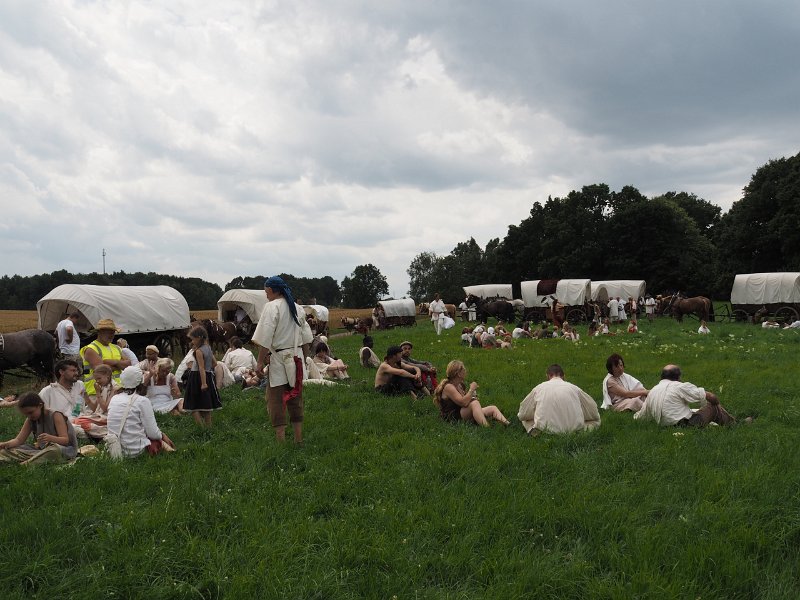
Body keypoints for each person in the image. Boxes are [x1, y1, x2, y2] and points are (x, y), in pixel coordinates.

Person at [252, 276, 314, 443]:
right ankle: (298, 439)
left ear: (273, 290)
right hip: (296, 357)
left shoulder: (272, 307)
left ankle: (281, 441)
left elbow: (265, 337)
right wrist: (304, 359)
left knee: (276, 399)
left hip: (279, 359)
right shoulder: (297, 308)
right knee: (296, 398)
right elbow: (307, 338)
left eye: (266, 292)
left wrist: (259, 362)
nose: (266, 295)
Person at [634, 364, 738, 427]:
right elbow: (711, 397)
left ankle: (727, 420)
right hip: (686, 426)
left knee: (695, 410)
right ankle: (735, 424)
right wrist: (717, 405)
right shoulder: (679, 386)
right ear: (678, 377)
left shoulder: (652, 391)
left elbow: (642, 415)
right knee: (712, 406)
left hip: (665, 427)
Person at [106, 367, 175, 457]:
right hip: (135, 451)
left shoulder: (115, 398)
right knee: (158, 440)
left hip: (115, 448)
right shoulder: (142, 401)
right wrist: (162, 435)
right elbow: (153, 433)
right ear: (140, 381)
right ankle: (175, 454)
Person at [517, 364, 601, 435]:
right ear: (564, 376)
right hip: (574, 430)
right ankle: (577, 432)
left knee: (525, 420)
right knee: (597, 421)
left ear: (548, 376)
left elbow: (522, 415)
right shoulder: (574, 389)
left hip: (545, 431)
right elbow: (593, 412)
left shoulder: (538, 389)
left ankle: (535, 432)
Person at [0, 391, 79, 465]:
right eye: (26, 414)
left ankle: (27, 463)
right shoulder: (30, 419)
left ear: (40, 405)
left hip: (64, 450)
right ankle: (36, 459)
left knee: (54, 451)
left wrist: (51, 438)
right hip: (41, 450)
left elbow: (65, 440)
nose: (29, 416)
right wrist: (5, 444)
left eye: (31, 412)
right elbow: (19, 440)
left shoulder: (55, 415)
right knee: (5, 451)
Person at [432, 360, 509, 426]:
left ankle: (507, 424)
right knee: (474, 403)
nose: (465, 371)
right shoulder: (449, 386)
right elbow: (463, 403)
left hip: (461, 412)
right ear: (458, 373)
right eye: (464, 370)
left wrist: (473, 396)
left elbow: (466, 400)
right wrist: (471, 389)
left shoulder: (460, 385)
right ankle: (487, 427)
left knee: (492, 408)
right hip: (452, 417)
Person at [183, 326, 222, 427]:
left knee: (193, 403)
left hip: (197, 377)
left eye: (193, 339)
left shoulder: (199, 351)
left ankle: (200, 427)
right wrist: (208, 374)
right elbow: (215, 363)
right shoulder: (208, 348)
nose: (192, 341)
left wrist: (203, 383)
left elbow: (201, 368)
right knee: (206, 402)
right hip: (208, 376)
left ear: (199, 337)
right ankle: (209, 426)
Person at [80, 319, 130, 396]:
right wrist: (119, 365)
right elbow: (101, 371)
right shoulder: (90, 349)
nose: (111, 335)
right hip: (97, 393)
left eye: (113, 332)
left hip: (117, 390)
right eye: (108, 332)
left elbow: (128, 365)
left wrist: (114, 362)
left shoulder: (116, 348)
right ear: (99, 332)